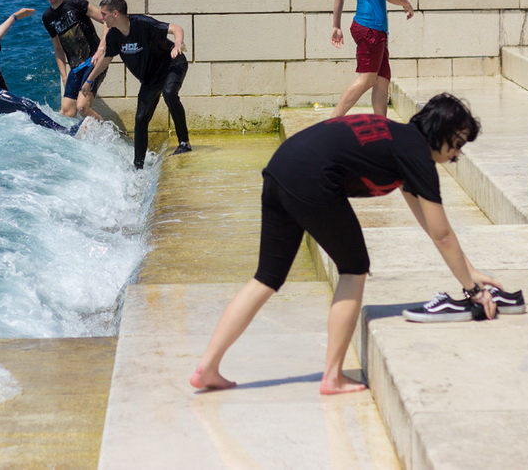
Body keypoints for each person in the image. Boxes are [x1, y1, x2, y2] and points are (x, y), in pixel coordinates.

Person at [190, 93, 501, 394]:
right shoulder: (416, 154)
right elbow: (443, 234)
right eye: (457, 143)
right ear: (440, 132)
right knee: (354, 268)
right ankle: (332, 377)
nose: (457, 154)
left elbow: (428, 223)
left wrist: (469, 272)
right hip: (311, 178)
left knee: (266, 278)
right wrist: (473, 291)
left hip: (281, 168)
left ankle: (207, 367)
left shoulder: (401, 141)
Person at [85, 0, 191, 168]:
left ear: (116, 13)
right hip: (150, 78)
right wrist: (89, 80)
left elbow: (176, 29)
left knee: (169, 93)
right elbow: (106, 59)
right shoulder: (113, 36)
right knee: (141, 118)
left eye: (104, 14)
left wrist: (178, 44)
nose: (101, 18)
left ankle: (184, 143)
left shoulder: (142, 23)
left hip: (172, 64)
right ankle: (138, 166)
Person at [41, 0, 107, 120]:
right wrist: (64, 75)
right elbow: (58, 48)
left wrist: (101, 49)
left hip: (94, 61)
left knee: (82, 107)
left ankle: (106, 132)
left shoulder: (77, 4)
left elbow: (106, 21)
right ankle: (81, 140)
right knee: (66, 113)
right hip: (75, 68)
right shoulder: (47, 17)